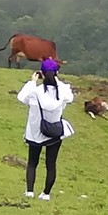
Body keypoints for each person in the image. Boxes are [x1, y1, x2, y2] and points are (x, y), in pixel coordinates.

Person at [15, 57, 75, 200]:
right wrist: (57, 80)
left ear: (41, 73)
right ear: (56, 73)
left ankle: (29, 191)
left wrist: (32, 82)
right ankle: (46, 194)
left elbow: (21, 97)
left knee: (32, 163)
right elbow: (71, 98)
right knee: (51, 164)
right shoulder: (62, 92)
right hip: (54, 133)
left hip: (36, 132)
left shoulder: (36, 92)